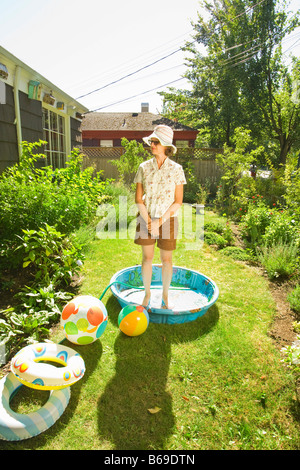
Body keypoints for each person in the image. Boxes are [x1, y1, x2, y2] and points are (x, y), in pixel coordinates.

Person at [133, 124, 186, 310]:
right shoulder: (143, 167)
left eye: (155, 142)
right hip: (146, 217)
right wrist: (149, 222)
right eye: (151, 141)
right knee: (146, 259)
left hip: (168, 220)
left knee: (167, 261)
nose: (152, 145)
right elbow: (138, 199)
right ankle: (147, 294)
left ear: (165, 145)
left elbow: (178, 201)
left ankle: (165, 295)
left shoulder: (177, 169)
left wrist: (159, 222)